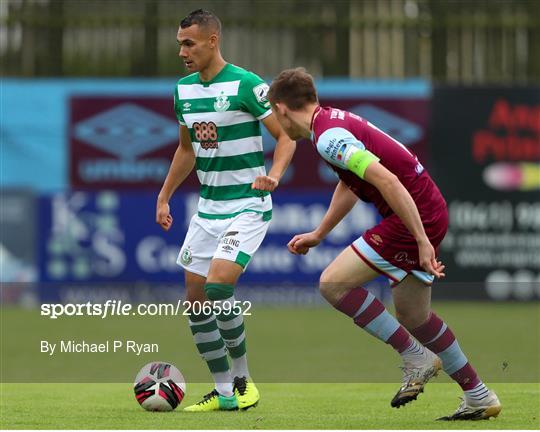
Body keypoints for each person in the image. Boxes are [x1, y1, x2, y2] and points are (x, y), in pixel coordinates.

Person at [266, 67, 502, 420]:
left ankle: (415, 357)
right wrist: (320, 233)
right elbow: (350, 182)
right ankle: (479, 395)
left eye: (274, 114)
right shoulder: (329, 123)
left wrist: (421, 240)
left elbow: (388, 181)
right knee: (415, 316)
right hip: (427, 210)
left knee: (333, 284)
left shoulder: (328, 136)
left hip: (414, 218)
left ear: (282, 108)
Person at [156, 10, 295, 412]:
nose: (182, 51)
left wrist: (274, 174)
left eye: (189, 43)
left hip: (248, 206)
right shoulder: (183, 90)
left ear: (213, 41)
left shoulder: (247, 84)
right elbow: (187, 149)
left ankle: (243, 380)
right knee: (196, 301)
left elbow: (286, 137)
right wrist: (164, 196)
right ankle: (225, 393)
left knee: (219, 287)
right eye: (180, 43)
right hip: (208, 210)